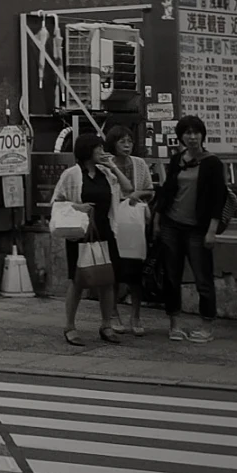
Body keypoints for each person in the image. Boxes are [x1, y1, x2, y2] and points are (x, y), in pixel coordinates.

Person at [150, 114, 230, 343]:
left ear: (203, 135)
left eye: (196, 132)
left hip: (198, 228)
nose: (192, 137)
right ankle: (174, 324)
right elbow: (166, 192)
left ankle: (207, 325)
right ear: (181, 137)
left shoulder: (212, 163)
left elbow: (218, 199)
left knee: (202, 277)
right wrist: (157, 220)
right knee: (172, 276)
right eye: (187, 133)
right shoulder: (177, 160)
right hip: (171, 225)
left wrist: (212, 230)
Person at [52, 131, 121, 347]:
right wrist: (77, 206)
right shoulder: (71, 174)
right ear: (87, 150)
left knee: (107, 278)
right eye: (97, 148)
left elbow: (127, 189)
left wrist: (113, 167)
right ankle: (70, 326)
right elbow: (56, 202)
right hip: (80, 233)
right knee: (78, 280)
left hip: (105, 230)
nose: (102, 151)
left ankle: (106, 324)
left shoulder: (107, 174)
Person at [97, 123, 152, 337]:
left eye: (130, 141)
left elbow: (150, 190)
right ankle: (113, 313)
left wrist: (137, 196)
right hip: (113, 220)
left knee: (135, 270)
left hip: (134, 219)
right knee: (114, 271)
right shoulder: (105, 166)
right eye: (122, 141)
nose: (127, 145)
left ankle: (136, 315)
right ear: (113, 143)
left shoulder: (139, 164)